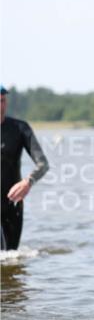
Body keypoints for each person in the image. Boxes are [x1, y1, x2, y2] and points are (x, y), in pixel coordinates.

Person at [1, 86, 50, 250]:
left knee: (10, 259)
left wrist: (28, 182)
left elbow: (43, 164)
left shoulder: (20, 128)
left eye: (2, 101)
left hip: (12, 204)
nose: (0, 106)